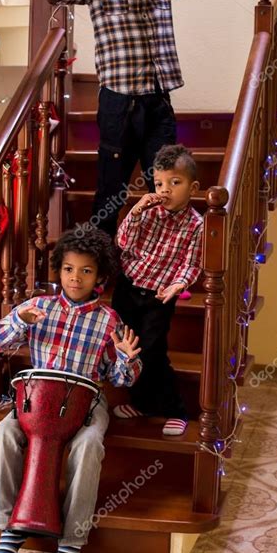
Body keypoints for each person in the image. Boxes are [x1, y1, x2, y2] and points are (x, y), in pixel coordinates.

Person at [44, 0, 224, 236]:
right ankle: (101, 262)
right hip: (118, 104)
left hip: (158, 100)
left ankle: (161, 261)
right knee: (112, 190)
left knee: (168, 190)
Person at [0, 227, 142, 553]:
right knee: (3, 435)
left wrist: (127, 360)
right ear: (58, 270)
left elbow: (120, 378)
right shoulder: (37, 307)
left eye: (86, 271)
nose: (76, 277)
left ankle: (71, 544)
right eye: (69, 269)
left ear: (100, 277)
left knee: (89, 446)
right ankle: (11, 530)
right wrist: (17, 321)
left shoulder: (109, 320)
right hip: (36, 399)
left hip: (86, 400)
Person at [112, 144, 203, 436]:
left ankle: (174, 409)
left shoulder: (196, 225)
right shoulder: (147, 213)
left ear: (193, 187)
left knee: (152, 351)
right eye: (160, 183)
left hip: (158, 297)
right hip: (128, 288)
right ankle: (142, 403)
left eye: (175, 183)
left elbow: (191, 264)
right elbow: (123, 243)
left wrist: (179, 284)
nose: (166, 190)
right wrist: (136, 210)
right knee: (128, 349)